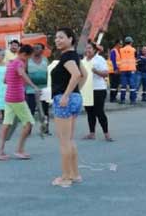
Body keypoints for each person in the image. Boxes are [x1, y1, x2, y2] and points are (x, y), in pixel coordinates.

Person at [50, 28, 87, 188]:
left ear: (71, 39)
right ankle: (75, 174)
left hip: (63, 99)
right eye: (56, 37)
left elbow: (76, 75)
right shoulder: (74, 56)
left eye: (61, 37)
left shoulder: (67, 57)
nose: (58, 40)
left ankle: (65, 178)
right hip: (75, 98)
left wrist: (66, 95)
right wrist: (75, 92)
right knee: (70, 140)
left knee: (64, 141)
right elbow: (83, 74)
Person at [0, 44, 41, 161]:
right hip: (17, 98)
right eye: (29, 57)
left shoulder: (10, 63)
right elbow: (22, 73)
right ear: (25, 55)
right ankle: (19, 150)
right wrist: (33, 86)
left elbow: (5, 80)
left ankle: (0, 152)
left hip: (8, 97)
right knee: (29, 123)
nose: (28, 60)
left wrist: (16, 81)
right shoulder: (20, 63)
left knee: (6, 125)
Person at [82, 43, 113, 141]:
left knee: (99, 112)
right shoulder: (83, 60)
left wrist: (95, 71)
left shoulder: (100, 59)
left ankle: (106, 134)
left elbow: (105, 73)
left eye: (90, 48)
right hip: (87, 89)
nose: (88, 50)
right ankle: (92, 133)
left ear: (95, 50)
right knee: (90, 112)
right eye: (86, 48)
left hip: (98, 89)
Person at [26, 43, 50, 134]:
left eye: (38, 48)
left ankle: (45, 128)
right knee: (30, 110)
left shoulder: (45, 60)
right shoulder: (28, 60)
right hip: (31, 89)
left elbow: (48, 73)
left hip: (44, 89)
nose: (36, 49)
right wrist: (31, 85)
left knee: (44, 110)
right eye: (34, 48)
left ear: (42, 50)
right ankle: (28, 129)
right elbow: (25, 74)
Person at [118, 36, 139, 105]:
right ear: (131, 42)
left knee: (123, 85)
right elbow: (136, 58)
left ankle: (122, 100)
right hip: (131, 69)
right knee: (132, 86)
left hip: (123, 69)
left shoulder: (121, 50)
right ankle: (132, 101)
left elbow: (119, 58)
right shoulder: (133, 50)